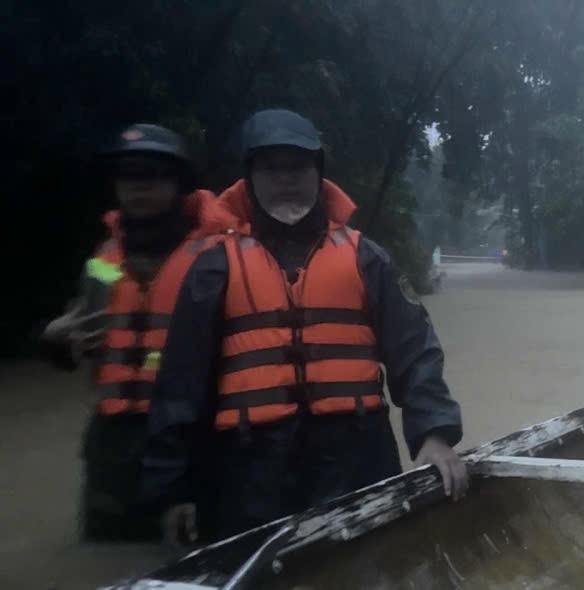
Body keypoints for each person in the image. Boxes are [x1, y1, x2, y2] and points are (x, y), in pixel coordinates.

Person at [139, 109, 468, 545]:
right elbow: (180, 384)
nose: (285, 179)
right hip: (249, 471)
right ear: (249, 178)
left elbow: (416, 350)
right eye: (271, 168)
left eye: (298, 167)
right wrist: (174, 489)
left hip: (356, 459)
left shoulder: (367, 259)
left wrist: (435, 434)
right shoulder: (213, 267)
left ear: (318, 174)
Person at [40, 124, 223, 540]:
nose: (139, 187)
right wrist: (53, 340)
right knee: (106, 554)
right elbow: (77, 343)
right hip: (113, 445)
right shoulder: (102, 260)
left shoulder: (216, 257)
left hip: (190, 438)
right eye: (129, 176)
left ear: (179, 183)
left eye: (153, 175)